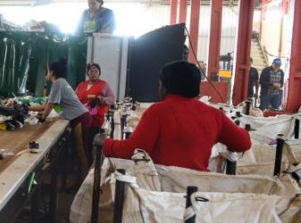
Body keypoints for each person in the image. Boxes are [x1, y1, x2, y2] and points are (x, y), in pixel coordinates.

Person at [96, 61, 251, 171]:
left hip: (160, 196)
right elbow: (243, 143)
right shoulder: (215, 115)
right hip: (197, 197)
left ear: (165, 86)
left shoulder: (157, 112)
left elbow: (132, 150)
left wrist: (106, 143)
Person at [28, 60, 92, 170]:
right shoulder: (61, 82)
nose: (47, 74)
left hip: (80, 118)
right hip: (80, 117)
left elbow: (51, 105)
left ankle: (84, 183)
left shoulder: (58, 83)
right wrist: (27, 108)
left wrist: (43, 118)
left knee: (82, 150)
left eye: (48, 71)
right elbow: (47, 105)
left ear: (52, 72)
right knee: (80, 150)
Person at [74, 63, 116, 139]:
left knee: (91, 141)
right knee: (81, 140)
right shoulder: (81, 85)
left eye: (96, 71)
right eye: (91, 71)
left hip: (96, 121)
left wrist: (99, 99)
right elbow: (74, 99)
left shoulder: (104, 85)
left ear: (99, 73)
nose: (93, 73)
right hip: (81, 119)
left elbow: (112, 100)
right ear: (88, 73)